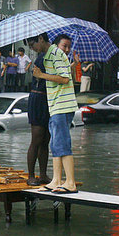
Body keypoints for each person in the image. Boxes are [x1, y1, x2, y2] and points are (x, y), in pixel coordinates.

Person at [28, 32, 78, 194]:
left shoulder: (55, 53)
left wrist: (41, 75)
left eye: (33, 44)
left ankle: (70, 182)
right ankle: (56, 179)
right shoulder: (49, 55)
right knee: (56, 144)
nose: (33, 48)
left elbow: (64, 78)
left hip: (62, 105)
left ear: (41, 39)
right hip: (54, 104)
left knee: (62, 144)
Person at [25, 53, 51, 186]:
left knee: (46, 139)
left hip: (49, 100)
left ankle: (43, 174)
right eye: (64, 46)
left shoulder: (53, 57)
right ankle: (30, 175)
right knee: (36, 138)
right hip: (38, 99)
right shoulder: (43, 58)